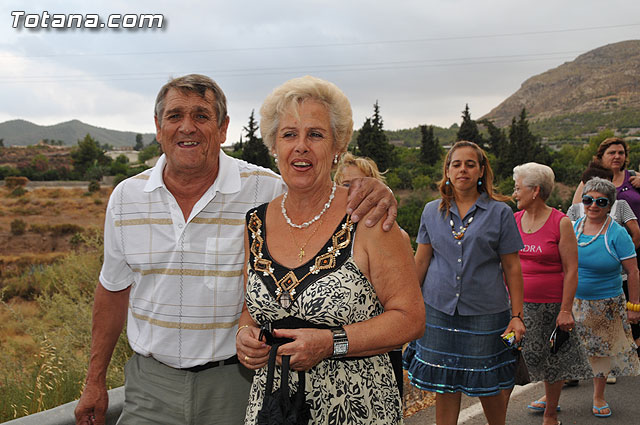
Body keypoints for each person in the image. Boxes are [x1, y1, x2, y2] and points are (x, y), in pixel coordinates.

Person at [74, 74, 399, 425]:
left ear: (223, 128)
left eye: (201, 116)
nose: (187, 127)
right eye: (174, 116)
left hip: (237, 387)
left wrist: (378, 192)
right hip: (150, 388)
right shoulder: (126, 198)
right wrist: (94, 381)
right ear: (157, 126)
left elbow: (323, 196)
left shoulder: (268, 191)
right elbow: (112, 291)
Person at [236, 76, 425, 424]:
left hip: (357, 406)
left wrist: (330, 343)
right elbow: (253, 310)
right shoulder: (255, 224)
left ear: (338, 146)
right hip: (274, 408)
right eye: (289, 134)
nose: (301, 146)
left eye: (315, 134)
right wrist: (244, 335)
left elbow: (410, 319)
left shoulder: (368, 217)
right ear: (274, 146)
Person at [403, 141, 526, 425]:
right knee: (445, 384)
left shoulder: (500, 212)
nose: (463, 170)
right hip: (438, 311)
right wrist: (407, 305)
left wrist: (517, 316)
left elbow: (512, 267)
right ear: (447, 170)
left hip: (486, 314)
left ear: (481, 171)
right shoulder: (431, 211)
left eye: (470, 164)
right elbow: (421, 261)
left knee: (488, 383)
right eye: (456, 164)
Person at [511, 163, 592, 425]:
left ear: (535, 190)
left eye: (518, 188)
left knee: (553, 361)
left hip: (550, 306)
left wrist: (565, 310)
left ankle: (550, 414)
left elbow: (571, 269)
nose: (514, 193)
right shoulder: (513, 220)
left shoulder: (561, 222)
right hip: (517, 306)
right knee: (511, 359)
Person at [334, 152, 410, 398]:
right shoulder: (323, 238)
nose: (355, 191)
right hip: (330, 355)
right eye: (347, 184)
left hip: (378, 353)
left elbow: (405, 309)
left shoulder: (393, 235)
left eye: (362, 184)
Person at [572, 177, 640, 418]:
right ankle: (550, 396)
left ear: (609, 205)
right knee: (564, 348)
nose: (593, 205)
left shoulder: (617, 233)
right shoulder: (573, 227)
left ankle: (598, 396)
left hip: (606, 303)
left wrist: (634, 306)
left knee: (600, 351)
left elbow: (633, 271)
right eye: (588, 200)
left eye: (600, 202)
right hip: (573, 301)